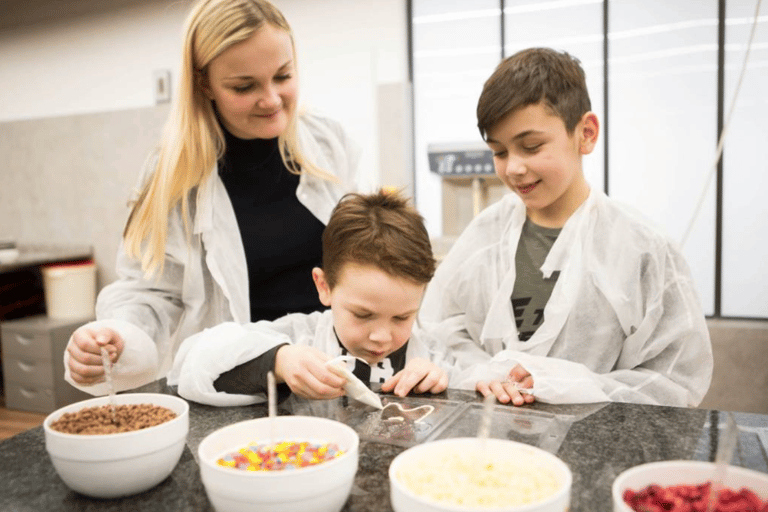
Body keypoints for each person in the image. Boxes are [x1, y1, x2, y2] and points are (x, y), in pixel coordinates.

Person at [64, 0, 362, 395]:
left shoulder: (327, 141)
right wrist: (116, 338)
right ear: (204, 83)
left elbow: (360, 253)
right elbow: (150, 292)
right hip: (241, 380)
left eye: (283, 75)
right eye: (244, 86)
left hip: (332, 371)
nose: (271, 99)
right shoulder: (172, 174)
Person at [420, 47, 713, 408]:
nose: (513, 168)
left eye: (531, 146)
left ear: (586, 134)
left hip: (596, 441)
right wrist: (485, 373)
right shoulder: (486, 235)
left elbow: (674, 378)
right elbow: (439, 331)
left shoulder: (642, 247)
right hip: (490, 436)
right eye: (499, 152)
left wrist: (569, 384)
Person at [167, 191, 451, 406]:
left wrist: (440, 380)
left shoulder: (433, 353)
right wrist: (277, 362)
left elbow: (478, 387)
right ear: (324, 286)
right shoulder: (300, 338)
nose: (381, 337)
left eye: (402, 317)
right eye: (363, 315)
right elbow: (190, 366)